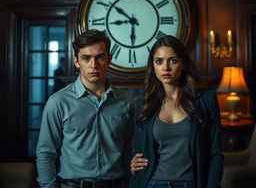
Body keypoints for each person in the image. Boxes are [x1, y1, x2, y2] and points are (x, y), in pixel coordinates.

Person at [36, 29, 135, 188]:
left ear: (109, 59)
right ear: (76, 61)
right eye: (86, 58)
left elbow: (128, 150)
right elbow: (46, 154)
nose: (93, 65)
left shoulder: (126, 102)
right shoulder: (58, 102)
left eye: (100, 57)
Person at [130, 36, 223, 188]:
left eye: (173, 60)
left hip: (192, 183)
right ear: (153, 66)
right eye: (159, 61)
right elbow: (137, 150)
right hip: (152, 183)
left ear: (184, 64)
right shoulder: (143, 106)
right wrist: (132, 163)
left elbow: (216, 154)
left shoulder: (206, 100)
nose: (165, 68)